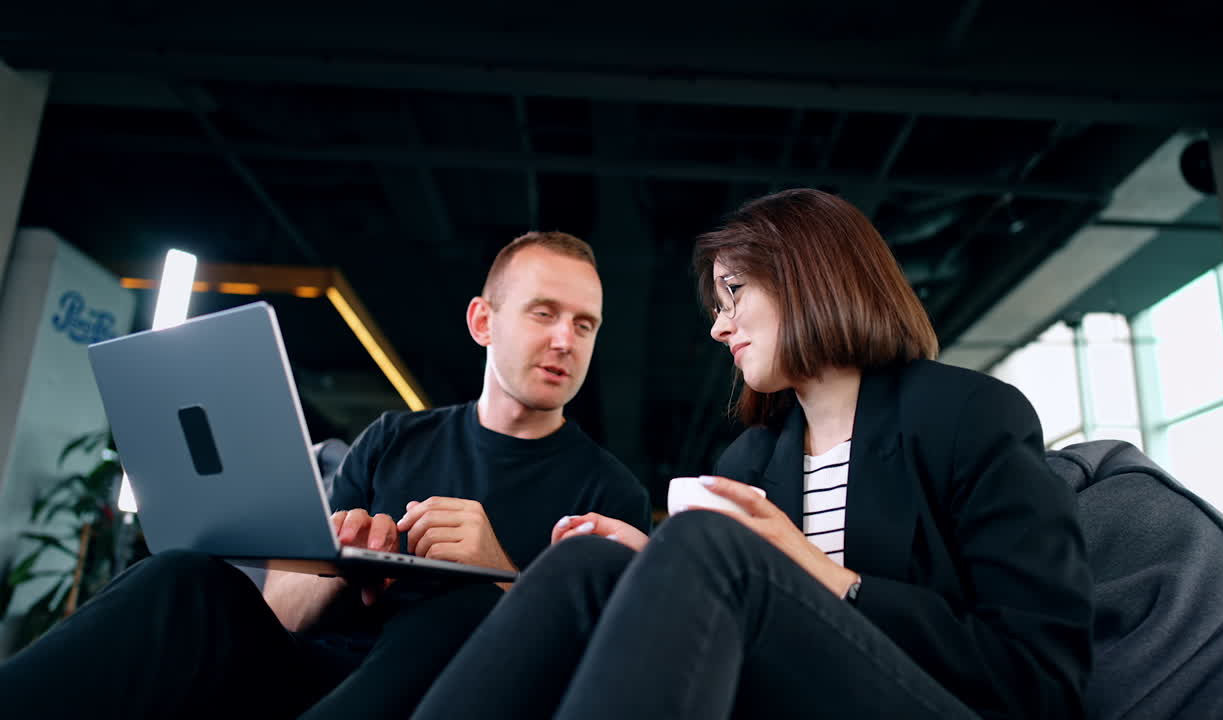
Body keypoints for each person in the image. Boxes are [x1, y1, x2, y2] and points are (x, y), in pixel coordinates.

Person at [408, 189, 1093, 720]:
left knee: (707, 542)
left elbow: (1041, 681)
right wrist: (654, 568)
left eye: (733, 291)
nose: (717, 324)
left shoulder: (969, 417)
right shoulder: (751, 461)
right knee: (589, 563)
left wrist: (820, 573)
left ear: (810, 277)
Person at [0, 231, 650, 719]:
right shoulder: (395, 439)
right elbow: (282, 612)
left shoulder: (609, 492)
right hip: (315, 675)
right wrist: (339, 568)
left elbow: (591, 671)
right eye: (545, 313)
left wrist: (501, 575)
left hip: (450, 696)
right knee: (184, 576)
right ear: (484, 321)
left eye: (584, 323)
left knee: (465, 605)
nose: (567, 338)